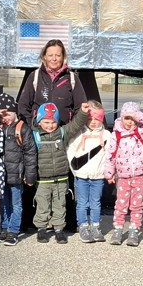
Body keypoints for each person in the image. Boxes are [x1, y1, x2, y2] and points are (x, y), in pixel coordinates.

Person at [32, 101, 89, 243]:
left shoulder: (62, 132)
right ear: (39, 121)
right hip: (42, 179)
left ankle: (58, 229)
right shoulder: (34, 135)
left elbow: (76, 125)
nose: (50, 125)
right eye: (46, 122)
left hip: (61, 178)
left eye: (53, 122)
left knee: (60, 205)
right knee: (42, 205)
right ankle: (41, 229)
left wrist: (83, 112)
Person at [103, 101, 143, 247]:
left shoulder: (141, 131)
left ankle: (134, 229)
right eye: (127, 118)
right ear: (121, 118)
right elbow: (110, 155)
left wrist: (137, 115)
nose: (130, 122)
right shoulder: (116, 134)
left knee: (137, 205)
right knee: (121, 204)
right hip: (123, 175)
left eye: (133, 119)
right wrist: (109, 173)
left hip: (140, 174)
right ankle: (118, 229)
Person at [0, 93, 37, 247]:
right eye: (1, 115)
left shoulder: (22, 129)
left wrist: (30, 175)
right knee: (4, 203)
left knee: (16, 204)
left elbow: (30, 153)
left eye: (7, 114)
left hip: (16, 174)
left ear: (14, 112)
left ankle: (13, 231)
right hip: (1, 175)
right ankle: (4, 227)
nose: (4, 118)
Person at [67, 99, 110, 244]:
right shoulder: (78, 134)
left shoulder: (107, 135)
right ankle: (83, 226)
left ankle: (95, 226)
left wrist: (107, 172)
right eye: (90, 119)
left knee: (95, 202)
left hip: (98, 176)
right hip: (81, 176)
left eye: (97, 119)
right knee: (82, 202)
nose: (93, 122)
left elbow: (110, 155)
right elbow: (70, 151)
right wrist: (75, 170)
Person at [16, 40, 88, 125]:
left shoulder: (72, 78)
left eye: (58, 55)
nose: (54, 59)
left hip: (64, 129)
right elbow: (23, 106)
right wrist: (33, 125)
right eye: (50, 55)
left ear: (63, 57)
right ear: (44, 57)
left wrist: (71, 128)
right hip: (38, 130)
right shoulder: (35, 76)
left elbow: (80, 107)